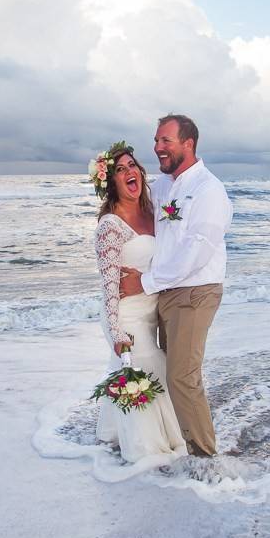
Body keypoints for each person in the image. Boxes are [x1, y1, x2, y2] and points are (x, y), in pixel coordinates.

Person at [119, 114, 232, 458]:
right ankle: (181, 441)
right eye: (156, 141)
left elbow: (195, 253)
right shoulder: (165, 185)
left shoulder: (209, 191)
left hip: (196, 291)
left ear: (188, 143)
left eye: (165, 141)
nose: (157, 148)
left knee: (182, 376)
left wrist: (145, 282)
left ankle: (206, 458)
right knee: (171, 372)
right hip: (166, 292)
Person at [92, 141, 188, 464]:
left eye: (132, 165)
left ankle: (124, 437)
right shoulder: (110, 227)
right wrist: (116, 334)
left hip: (153, 313)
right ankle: (146, 453)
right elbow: (108, 290)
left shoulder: (153, 214)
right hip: (128, 319)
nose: (129, 171)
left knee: (160, 371)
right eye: (120, 170)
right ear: (112, 183)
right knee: (146, 369)